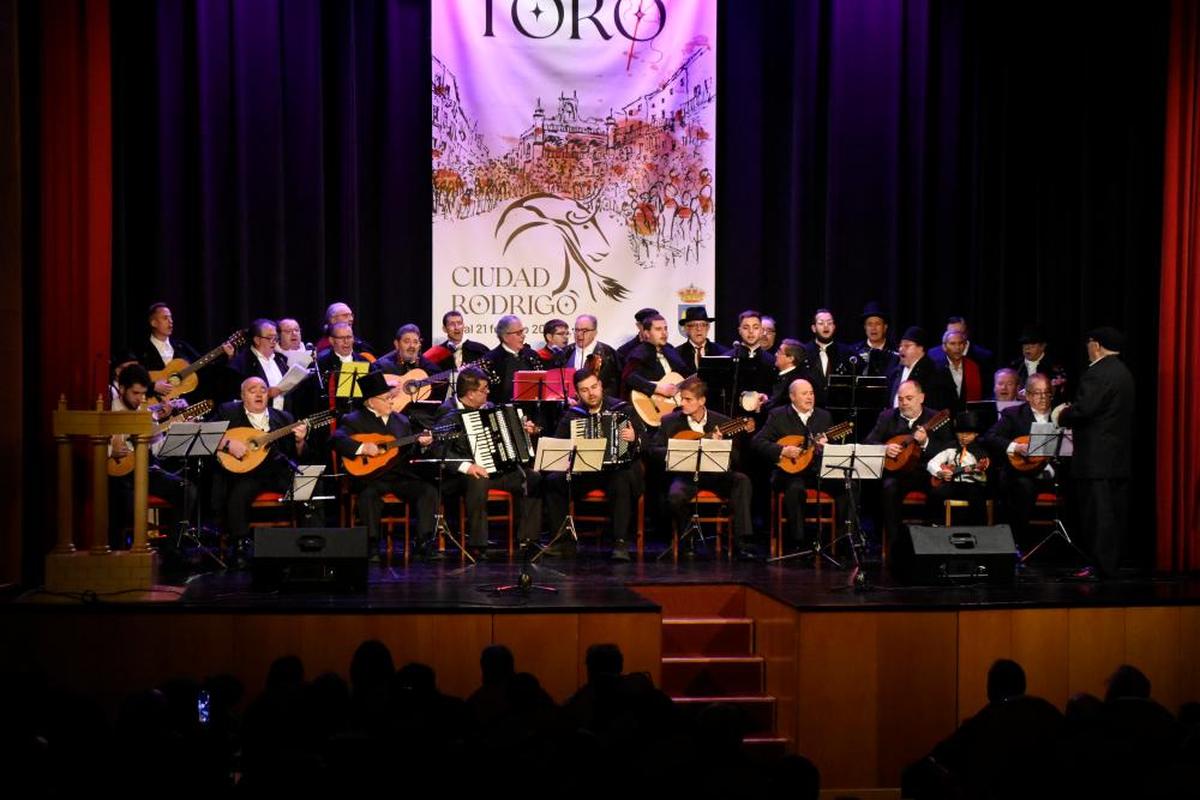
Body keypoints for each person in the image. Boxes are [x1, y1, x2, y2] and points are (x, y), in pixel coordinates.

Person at [434, 366, 542, 559]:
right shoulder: (447, 413)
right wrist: (468, 467)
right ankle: (478, 544)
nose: (488, 393)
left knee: (533, 478)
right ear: (470, 394)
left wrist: (524, 431)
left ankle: (528, 540)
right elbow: (439, 449)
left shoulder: (489, 408)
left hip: (496, 471)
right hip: (461, 477)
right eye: (484, 390)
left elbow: (508, 436)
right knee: (478, 479)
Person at [331, 371, 438, 562]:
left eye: (391, 397)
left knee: (428, 491)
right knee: (368, 495)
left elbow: (409, 451)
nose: (391, 401)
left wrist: (423, 445)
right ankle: (372, 545)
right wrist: (362, 448)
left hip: (399, 476)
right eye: (387, 398)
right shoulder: (353, 419)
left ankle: (423, 542)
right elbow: (337, 440)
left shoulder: (402, 420)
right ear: (371, 402)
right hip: (371, 477)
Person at [1054, 327, 1134, 578]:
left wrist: (1062, 413)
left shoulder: (1098, 372)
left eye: (1089, 343)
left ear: (1096, 345)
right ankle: (1109, 564)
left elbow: (1084, 410)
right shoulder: (1123, 372)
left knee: (1098, 516)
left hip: (1096, 460)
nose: (1088, 348)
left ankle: (1101, 567)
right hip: (1117, 457)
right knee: (1112, 514)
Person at [543, 368, 645, 561]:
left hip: (615, 471)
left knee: (622, 478)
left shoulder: (622, 409)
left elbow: (646, 441)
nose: (591, 393)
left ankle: (620, 542)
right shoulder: (573, 414)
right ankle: (560, 541)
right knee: (553, 481)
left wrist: (634, 438)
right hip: (586, 473)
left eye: (594, 387)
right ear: (578, 393)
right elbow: (559, 445)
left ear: (601, 386)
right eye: (584, 390)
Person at [650, 376, 757, 559]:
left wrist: (719, 447)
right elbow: (653, 449)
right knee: (675, 496)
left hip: (716, 475)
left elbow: (736, 457)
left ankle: (742, 542)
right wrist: (678, 449)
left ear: (702, 401)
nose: (682, 403)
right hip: (686, 476)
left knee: (742, 481)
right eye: (681, 398)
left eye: (688, 399)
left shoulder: (722, 422)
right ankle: (686, 540)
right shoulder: (670, 421)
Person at [212, 377, 308, 565]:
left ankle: (308, 540)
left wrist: (300, 441)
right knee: (238, 493)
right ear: (242, 395)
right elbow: (207, 435)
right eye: (252, 390)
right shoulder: (228, 412)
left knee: (309, 484)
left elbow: (298, 455)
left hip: (277, 471)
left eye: (263, 390)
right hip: (246, 473)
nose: (258, 394)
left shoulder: (284, 418)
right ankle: (239, 545)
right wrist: (228, 444)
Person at [865, 379, 956, 565]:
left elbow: (948, 450)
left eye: (909, 398)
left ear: (921, 398)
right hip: (898, 474)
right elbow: (868, 442)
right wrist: (885, 448)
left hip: (926, 472)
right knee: (888, 488)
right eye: (900, 399)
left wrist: (925, 443)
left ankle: (930, 545)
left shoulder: (937, 418)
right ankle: (894, 547)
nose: (904, 403)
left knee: (939, 491)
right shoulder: (887, 416)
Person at [751, 378, 832, 551]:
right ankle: (799, 543)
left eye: (811, 393)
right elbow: (758, 442)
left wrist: (826, 447)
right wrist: (782, 450)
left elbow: (832, 450)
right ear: (792, 397)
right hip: (789, 473)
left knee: (849, 486)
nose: (810, 397)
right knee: (795, 489)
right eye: (804, 394)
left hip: (816, 471)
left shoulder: (824, 416)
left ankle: (841, 542)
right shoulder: (778, 415)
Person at [981, 372, 1060, 546]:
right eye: (1038, 393)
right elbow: (990, 437)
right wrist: (1016, 447)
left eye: (1047, 393)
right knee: (1023, 488)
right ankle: (1020, 542)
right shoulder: (1013, 413)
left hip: (1053, 473)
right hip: (1021, 474)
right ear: (1028, 395)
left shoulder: (1059, 414)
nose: (1043, 397)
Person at [926, 411, 992, 524]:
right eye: (961, 433)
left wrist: (977, 471)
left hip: (973, 485)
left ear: (976, 434)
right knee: (936, 493)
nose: (964, 436)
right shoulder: (950, 447)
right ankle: (935, 525)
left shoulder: (981, 450)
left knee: (976, 498)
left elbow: (988, 473)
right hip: (952, 484)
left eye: (968, 433)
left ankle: (978, 530)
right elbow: (932, 463)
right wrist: (939, 472)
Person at [621, 313, 691, 410]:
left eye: (665, 328)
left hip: (674, 406)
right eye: (658, 329)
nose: (664, 333)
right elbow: (628, 377)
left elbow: (685, 374)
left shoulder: (670, 350)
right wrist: (658, 389)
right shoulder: (639, 353)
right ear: (646, 333)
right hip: (651, 407)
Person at [887, 326, 956, 413]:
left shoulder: (936, 372)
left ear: (921, 348)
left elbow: (941, 407)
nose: (901, 349)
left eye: (907, 346)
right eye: (900, 345)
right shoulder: (896, 372)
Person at [226, 319, 291, 410]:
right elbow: (236, 395)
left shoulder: (280, 359)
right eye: (270, 338)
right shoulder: (242, 363)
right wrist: (267, 393)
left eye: (276, 338)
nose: (274, 341)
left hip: (281, 417)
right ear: (257, 340)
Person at [479, 315, 545, 406]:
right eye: (518, 333)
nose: (523, 336)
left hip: (532, 412)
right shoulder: (489, 361)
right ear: (505, 337)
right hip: (502, 413)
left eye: (523, 331)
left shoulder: (532, 356)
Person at [563, 313, 622, 399]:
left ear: (595, 332)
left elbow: (615, 387)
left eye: (585, 331)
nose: (579, 334)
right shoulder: (565, 353)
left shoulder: (608, 354)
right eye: (577, 330)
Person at [802, 308, 853, 405]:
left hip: (839, 409)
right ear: (813, 328)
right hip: (811, 409)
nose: (826, 326)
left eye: (829, 323)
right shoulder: (804, 352)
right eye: (821, 323)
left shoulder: (846, 352)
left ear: (834, 327)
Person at [423, 310, 490, 371]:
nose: (456, 327)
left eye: (459, 323)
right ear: (444, 329)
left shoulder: (479, 350)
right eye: (452, 324)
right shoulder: (437, 352)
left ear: (464, 326)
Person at [851, 300, 899, 376]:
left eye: (878, 324)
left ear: (885, 327)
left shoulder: (896, 352)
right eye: (869, 324)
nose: (873, 328)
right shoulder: (853, 352)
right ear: (865, 327)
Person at [675, 306, 730, 372]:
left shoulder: (722, 352)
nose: (699, 329)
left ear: (708, 328)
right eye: (694, 325)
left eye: (703, 325)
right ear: (686, 329)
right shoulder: (677, 354)